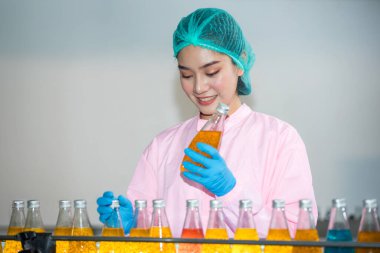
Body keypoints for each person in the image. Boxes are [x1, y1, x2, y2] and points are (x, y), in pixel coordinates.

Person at [97, 7, 317, 239]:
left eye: (211, 72)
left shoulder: (278, 139)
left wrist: (230, 193)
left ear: (239, 64)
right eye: (187, 75)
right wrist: (130, 225)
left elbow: (297, 237)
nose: (199, 87)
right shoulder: (162, 147)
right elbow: (150, 239)